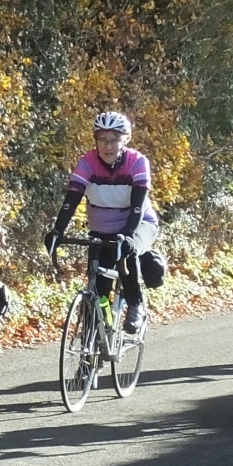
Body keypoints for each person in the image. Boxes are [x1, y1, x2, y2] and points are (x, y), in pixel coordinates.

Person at [42, 111, 160, 335]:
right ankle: (96, 342)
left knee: (129, 250)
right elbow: (71, 200)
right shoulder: (87, 163)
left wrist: (127, 235)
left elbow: (137, 206)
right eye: (102, 139)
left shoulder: (137, 163)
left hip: (139, 223)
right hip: (103, 230)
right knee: (98, 292)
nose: (108, 146)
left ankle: (135, 305)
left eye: (114, 139)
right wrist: (57, 230)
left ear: (125, 140)